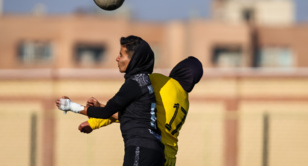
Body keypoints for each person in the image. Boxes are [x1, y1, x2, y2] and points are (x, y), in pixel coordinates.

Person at [56, 35, 165, 166]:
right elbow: (126, 116)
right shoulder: (144, 81)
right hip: (154, 150)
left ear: (134, 59)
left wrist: (70, 106)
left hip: (140, 148)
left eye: (121, 55)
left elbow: (105, 113)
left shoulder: (134, 84)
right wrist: (99, 106)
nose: (117, 58)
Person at [78, 56, 203, 166]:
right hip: (170, 158)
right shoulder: (185, 102)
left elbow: (130, 112)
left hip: (151, 150)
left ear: (179, 68)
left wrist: (94, 122)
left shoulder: (160, 80)